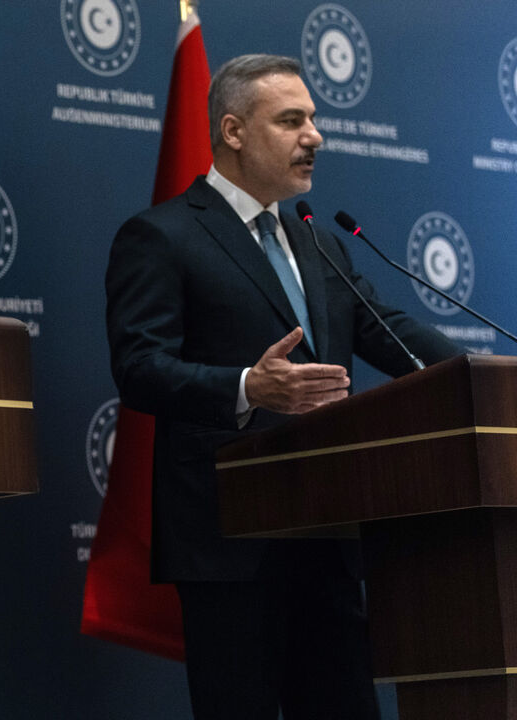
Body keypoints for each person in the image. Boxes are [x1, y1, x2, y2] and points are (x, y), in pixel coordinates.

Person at [105, 54, 460, 719]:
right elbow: (140, 368)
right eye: (292, 120)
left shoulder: (318, 243)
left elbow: (394, 332)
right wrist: (248, 386)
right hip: (229, 542)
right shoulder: (162, 236)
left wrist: (484, 381)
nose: (315, 136)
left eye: (315, 120)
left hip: (327, 533)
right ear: (233, 131)